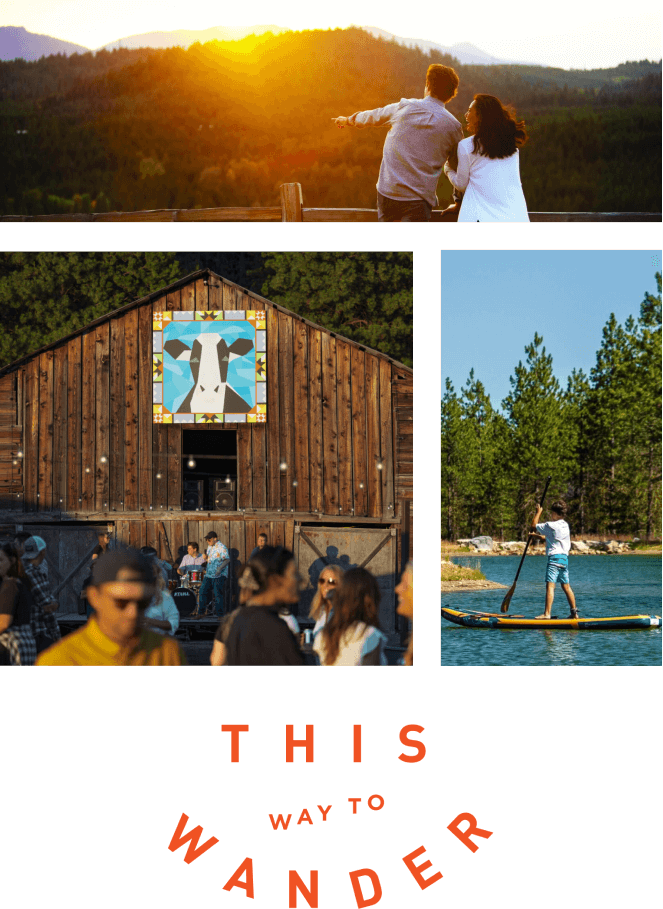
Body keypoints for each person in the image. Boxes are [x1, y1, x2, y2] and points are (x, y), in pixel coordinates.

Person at [332, 64, 464, 222]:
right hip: (419, 200)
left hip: (388, 193)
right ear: (451, 94)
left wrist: (348, 120)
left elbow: (374, 115)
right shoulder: (453, 126)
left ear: (428, 85)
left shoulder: (404, 107)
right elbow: (459, 167)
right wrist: (458, 202)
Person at [35, 548, 187, 665]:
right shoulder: (59, 660)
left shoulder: (168, 652)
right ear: (94, 597)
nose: (132, 612)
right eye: (121, 602)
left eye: (143, 602)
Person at [443, 94, 529, 222]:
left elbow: (461, 184)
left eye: (470, 110)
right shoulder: (512, 149)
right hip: (516, 216)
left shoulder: (467, 146)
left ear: (480, 116)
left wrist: (448, 169)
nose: (466, 114)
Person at [530, 499, 578, 620]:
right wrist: (535, 536)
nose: (551, 515)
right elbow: (550, 537)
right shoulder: (565, 525)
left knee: (550, 586)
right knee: (566, 587)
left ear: (556, 513)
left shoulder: (550, 525)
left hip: (554, 559)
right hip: (564, 559)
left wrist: (538, 512)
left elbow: (533, 525)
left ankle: (547, 614)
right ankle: (574, 613)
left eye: (552, 513)